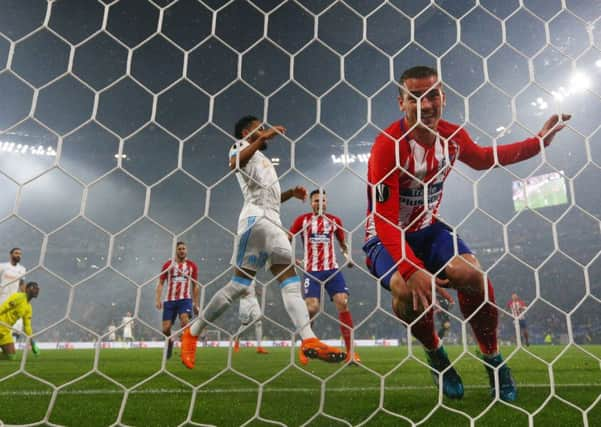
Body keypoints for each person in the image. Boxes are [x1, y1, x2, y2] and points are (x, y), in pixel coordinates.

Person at [363, 65, 570, 401]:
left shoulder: (452, 136)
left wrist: (539, 143)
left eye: (432, 95)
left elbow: (486, 158)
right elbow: (384, 218)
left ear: (443, 97)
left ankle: (493, 359)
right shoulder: (387, 146)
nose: (426, 105)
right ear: (401, 103)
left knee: (471, 274)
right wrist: (410, 267)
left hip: (429, 230)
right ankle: (436, 354)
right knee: (406, 289)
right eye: (415, 97)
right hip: (387, 237)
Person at [180, 116, 345, 369]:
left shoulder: (264, 160)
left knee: (291, 282)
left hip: (274, 223)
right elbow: (234, 164)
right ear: (247, 132)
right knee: (238, 285)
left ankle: (309, 340)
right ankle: (193, 332)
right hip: (254, 222)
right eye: (258, 127)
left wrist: (290, 194)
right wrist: (261, 138)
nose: (264, 129)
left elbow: (269, 198)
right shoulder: (239, 146)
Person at [290, 189, 360, 364]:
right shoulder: (302, 220)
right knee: (311, 308)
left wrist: (348, 257)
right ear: (310, 203)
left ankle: (351, 353)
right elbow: (288, 237)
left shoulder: (334, 221)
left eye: (322, 200)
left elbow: (342, 244)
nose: (319, 203)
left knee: (343, 302)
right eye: (315, 201)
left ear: (326, 202)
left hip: (331, 269)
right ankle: (306, 346)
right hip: (311, 270)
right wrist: (292, 259)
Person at [156, 241, 199, 359]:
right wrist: (158, 299)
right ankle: (169, 341)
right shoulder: (168, 265)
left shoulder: (191, 266)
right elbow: (160, 283)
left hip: (185, 299)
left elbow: (195, 285)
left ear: (186, 250)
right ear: (176, 250)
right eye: (179, 249)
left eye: (184, 249)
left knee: (185, 321)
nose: (182, 251)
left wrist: (195, 303)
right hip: (169, 300)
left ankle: (185, 348)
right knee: (165, 329)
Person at [0, 282, 40, 360]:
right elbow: (3, 307)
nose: (37, 290)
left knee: (11, 356)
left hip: (6, 331)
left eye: (38, 289)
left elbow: (27, 327)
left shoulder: (28, 308)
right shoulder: (18, 297)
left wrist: (32, 342)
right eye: (34, 288)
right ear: (27, 289)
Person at [233, 280, 268, 354]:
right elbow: (235, 287)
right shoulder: (241, 274)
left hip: (254, 300)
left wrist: (259, 293)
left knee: (259, 322)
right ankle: (237, 341)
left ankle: (259, 347)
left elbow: (253, 287)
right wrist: (240, 293)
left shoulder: (253, 275)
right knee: (244, 324)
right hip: (244, 301)